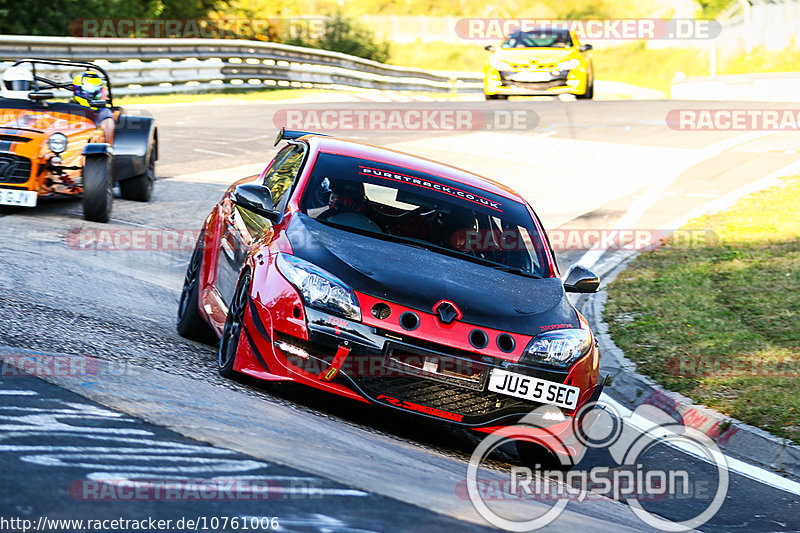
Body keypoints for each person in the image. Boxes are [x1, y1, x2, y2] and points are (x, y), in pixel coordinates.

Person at [73, 71, 114, 143]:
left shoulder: (104, 112)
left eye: (97, 90)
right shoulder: (68, 108)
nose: (95, 93)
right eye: (91, 89)